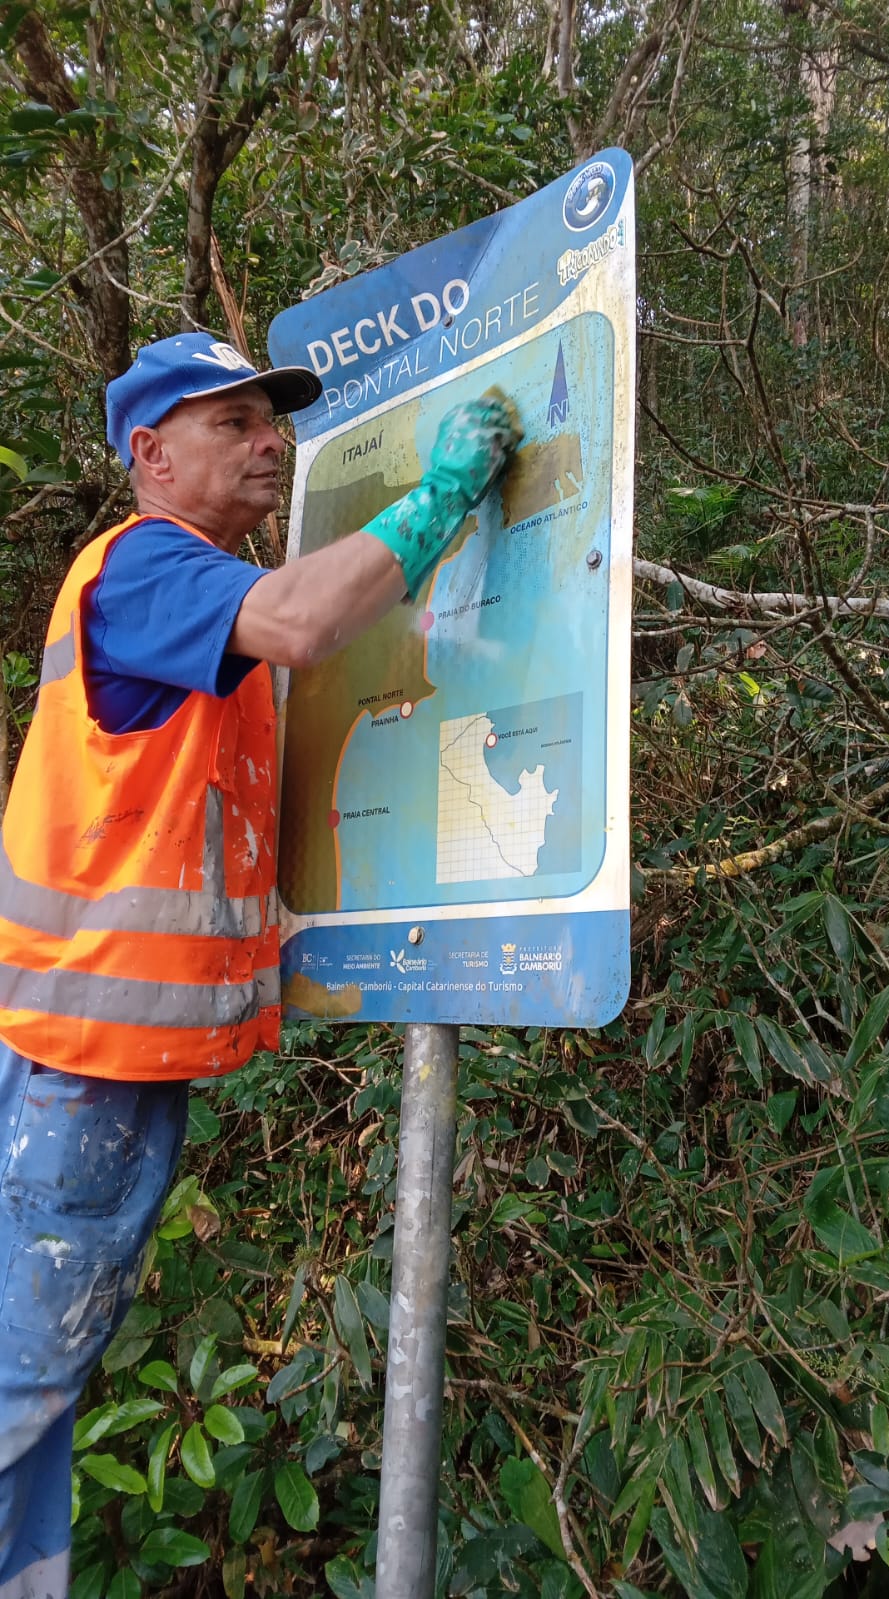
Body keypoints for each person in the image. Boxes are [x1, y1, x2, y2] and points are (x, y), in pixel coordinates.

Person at [0, 330, 521, 1598]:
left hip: (88, 1058)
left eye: (270, 421)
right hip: (82, 1069)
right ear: (150, 453)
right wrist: (441, 493)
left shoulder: (181, 602)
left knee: (36, 1390)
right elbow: (297, 622)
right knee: (22, 1375)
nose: (268, 443)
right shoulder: (148, 570)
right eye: (232, 423)